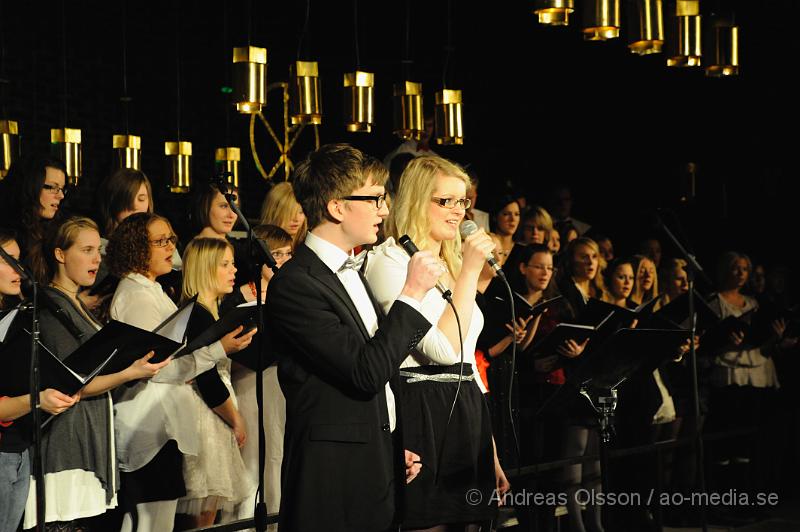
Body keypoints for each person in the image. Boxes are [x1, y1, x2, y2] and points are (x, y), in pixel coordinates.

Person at [265, 143, 440, 532]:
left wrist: (393, 441)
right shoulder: (296, 284)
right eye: (375, 198)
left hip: (375, 459)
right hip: (332, 476)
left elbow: (380, 364)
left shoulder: (350, 270)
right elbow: (364, 372)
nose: (384, 209)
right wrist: (410, 294)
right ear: (337, 207)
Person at [366, 155, 511, 530]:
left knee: (472, 522)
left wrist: (490, 450)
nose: (458, 213)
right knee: (428, 523)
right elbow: (441, 351)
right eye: (445, 201)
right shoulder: (390, 261)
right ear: (416, 200)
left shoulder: (451, 263)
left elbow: (465, 360)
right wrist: (471, 271)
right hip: (422, 407)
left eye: (462, 202)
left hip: (466, 407)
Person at [106, 212, 256, 532]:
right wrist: (219, 350)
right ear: (136, 248)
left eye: (171, 239)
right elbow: (159, 369)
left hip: (163, 428)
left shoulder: (154, 291)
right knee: (149, 523)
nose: (169, 247)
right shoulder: (136, 297)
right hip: (148, 430)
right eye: (160, 241)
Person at [22, 217, 169, 530]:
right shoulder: (52, 308)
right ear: (60, 255)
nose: (96, 258)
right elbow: (73, 384)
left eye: (97, 250)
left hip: (87, 436)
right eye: (86, 250)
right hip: (66, 445)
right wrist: (130, 372)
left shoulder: (75, 303)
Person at [0, 228, 79, 532]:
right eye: (8, 261)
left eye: (19, 260)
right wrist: (38, 399)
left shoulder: (17, 316)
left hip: (21, 448)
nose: (19, 270)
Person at [176, 238, 253, 527]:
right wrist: (235, 418)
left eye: (233, 263)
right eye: (225, 264)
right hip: (205, 418)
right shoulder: (198, 315)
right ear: (205, 269)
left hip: (212, 415)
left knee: (209, 513)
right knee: (203, 514)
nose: (234, 270)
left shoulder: (209, 313)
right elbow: (204, 377)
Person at [220, 225, 293, 528]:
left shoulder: (290, 292)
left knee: (276, 456)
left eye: (289, 253)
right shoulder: (235, 299)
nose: (284, 261)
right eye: (277, 254)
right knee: (252, 462)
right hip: (247, 383)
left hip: (279, 384)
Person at [0, 154, 68, 285]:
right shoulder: (8, 234)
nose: (60, 196)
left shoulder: (54, 231)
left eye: (62, 189)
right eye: (53, 188)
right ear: (30, 187)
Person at [258, 182, 307, 249]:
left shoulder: (309, 247)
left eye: (301, 212)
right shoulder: (259, 247)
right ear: (274, 212)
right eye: (290, 212)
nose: (296, 219)